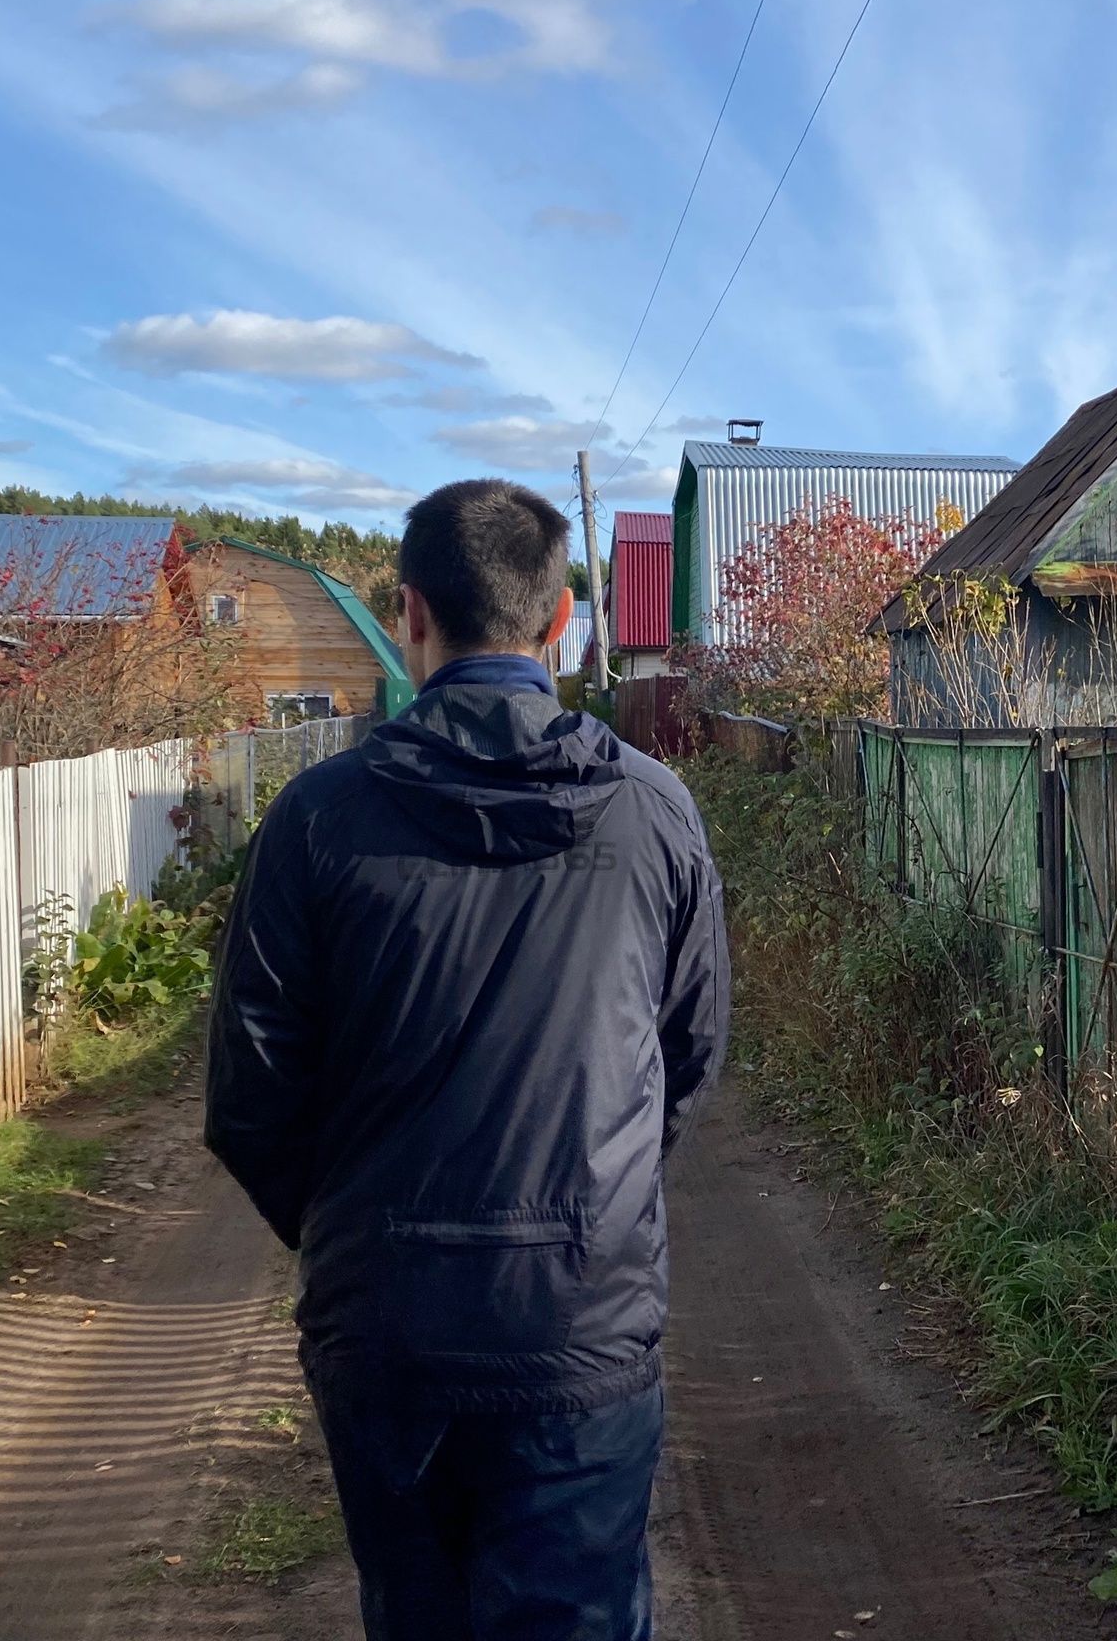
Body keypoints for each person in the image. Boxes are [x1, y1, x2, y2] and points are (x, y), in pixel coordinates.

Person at [205, 478, 729, 1641]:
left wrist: (359, 1227)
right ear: (560, 622)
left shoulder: (318, 819)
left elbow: (250, 1092)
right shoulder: (655, 814)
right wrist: (598, 1207)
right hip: (580, 1326)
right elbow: (686, 1058)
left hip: (387, 1329)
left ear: (408, 613)